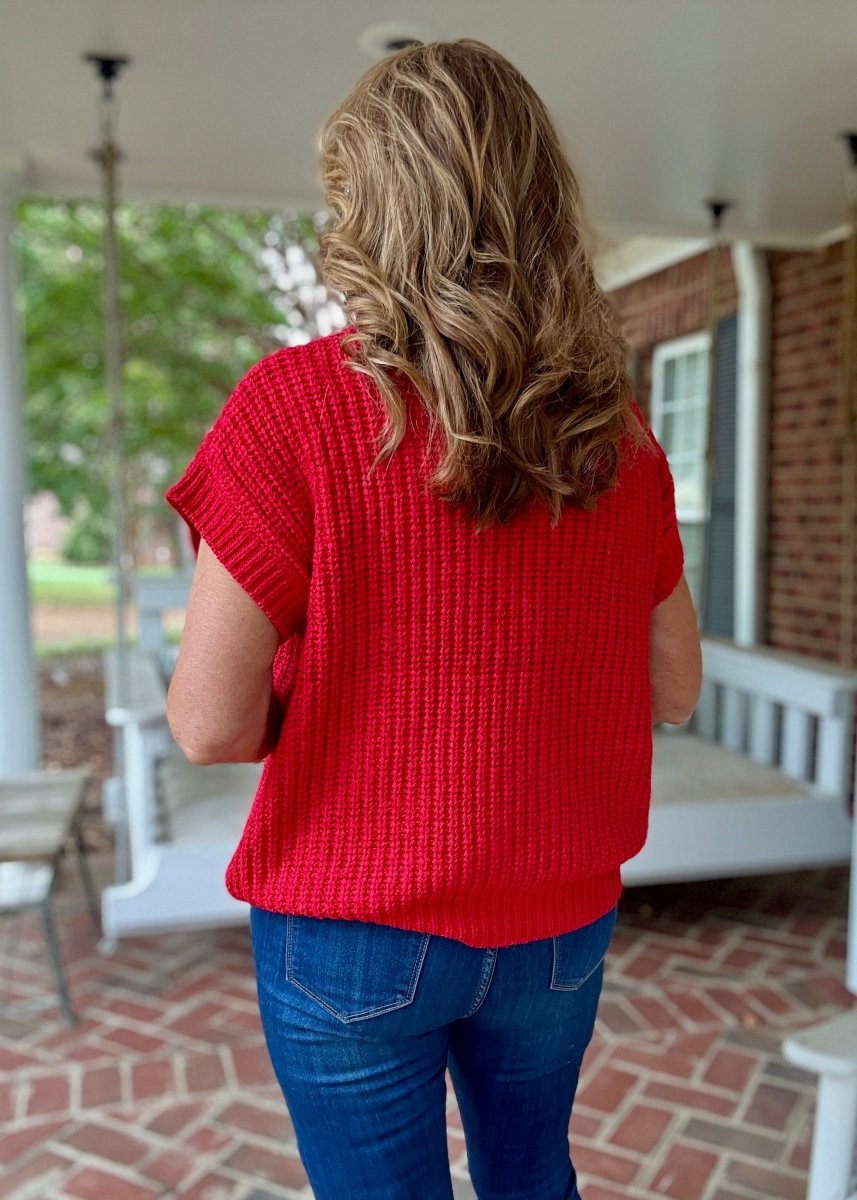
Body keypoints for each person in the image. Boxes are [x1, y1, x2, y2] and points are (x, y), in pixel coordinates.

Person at [165, 38, 701, 1200]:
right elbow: (671, 689)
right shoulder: (615, 440)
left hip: (352, 925)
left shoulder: (294, 409)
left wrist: (341, 704)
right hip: (556, 922)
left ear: (367, 207)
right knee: (531, 1180)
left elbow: (207, 723)